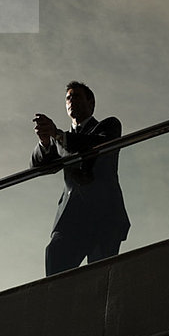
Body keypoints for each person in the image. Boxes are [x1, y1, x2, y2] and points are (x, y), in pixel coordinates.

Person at [31, 81, 131, 276]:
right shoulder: (60, 140)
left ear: (91, 103)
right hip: (71, 220)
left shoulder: (108, 126)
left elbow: (96, 146)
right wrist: (45, 141)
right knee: (55, 257)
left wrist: (58, 135)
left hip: (103, 217)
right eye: (68, 98)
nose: (71, 101)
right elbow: (38, 167)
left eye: (76, 96)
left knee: (100, 280)